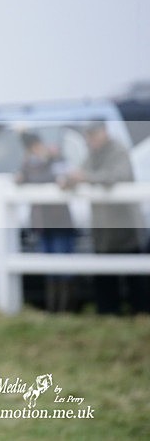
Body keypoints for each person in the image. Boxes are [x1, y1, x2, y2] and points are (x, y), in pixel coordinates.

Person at [59, 121, 149, 314]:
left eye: (93, 135)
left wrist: (85, 177)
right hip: (104, 229)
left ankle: (140, 311)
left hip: (125, 227)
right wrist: (68, 180)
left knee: (135, 276)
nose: (90, 140)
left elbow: (114, 176)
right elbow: (80, 173)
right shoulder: (92, 154)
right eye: (88, 136)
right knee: (105, 275)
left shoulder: (118, 150)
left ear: (103, 133)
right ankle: (108, 312)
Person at [15, 132, 76, 312]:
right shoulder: (29, 163)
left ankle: (66, 308)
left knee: (63, 266)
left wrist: (48, 159)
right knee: (49, 268)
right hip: (42, 223)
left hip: (60, 222)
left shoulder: (56, 159)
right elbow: (21, 179)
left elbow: (60, 178)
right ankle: (53, 308)